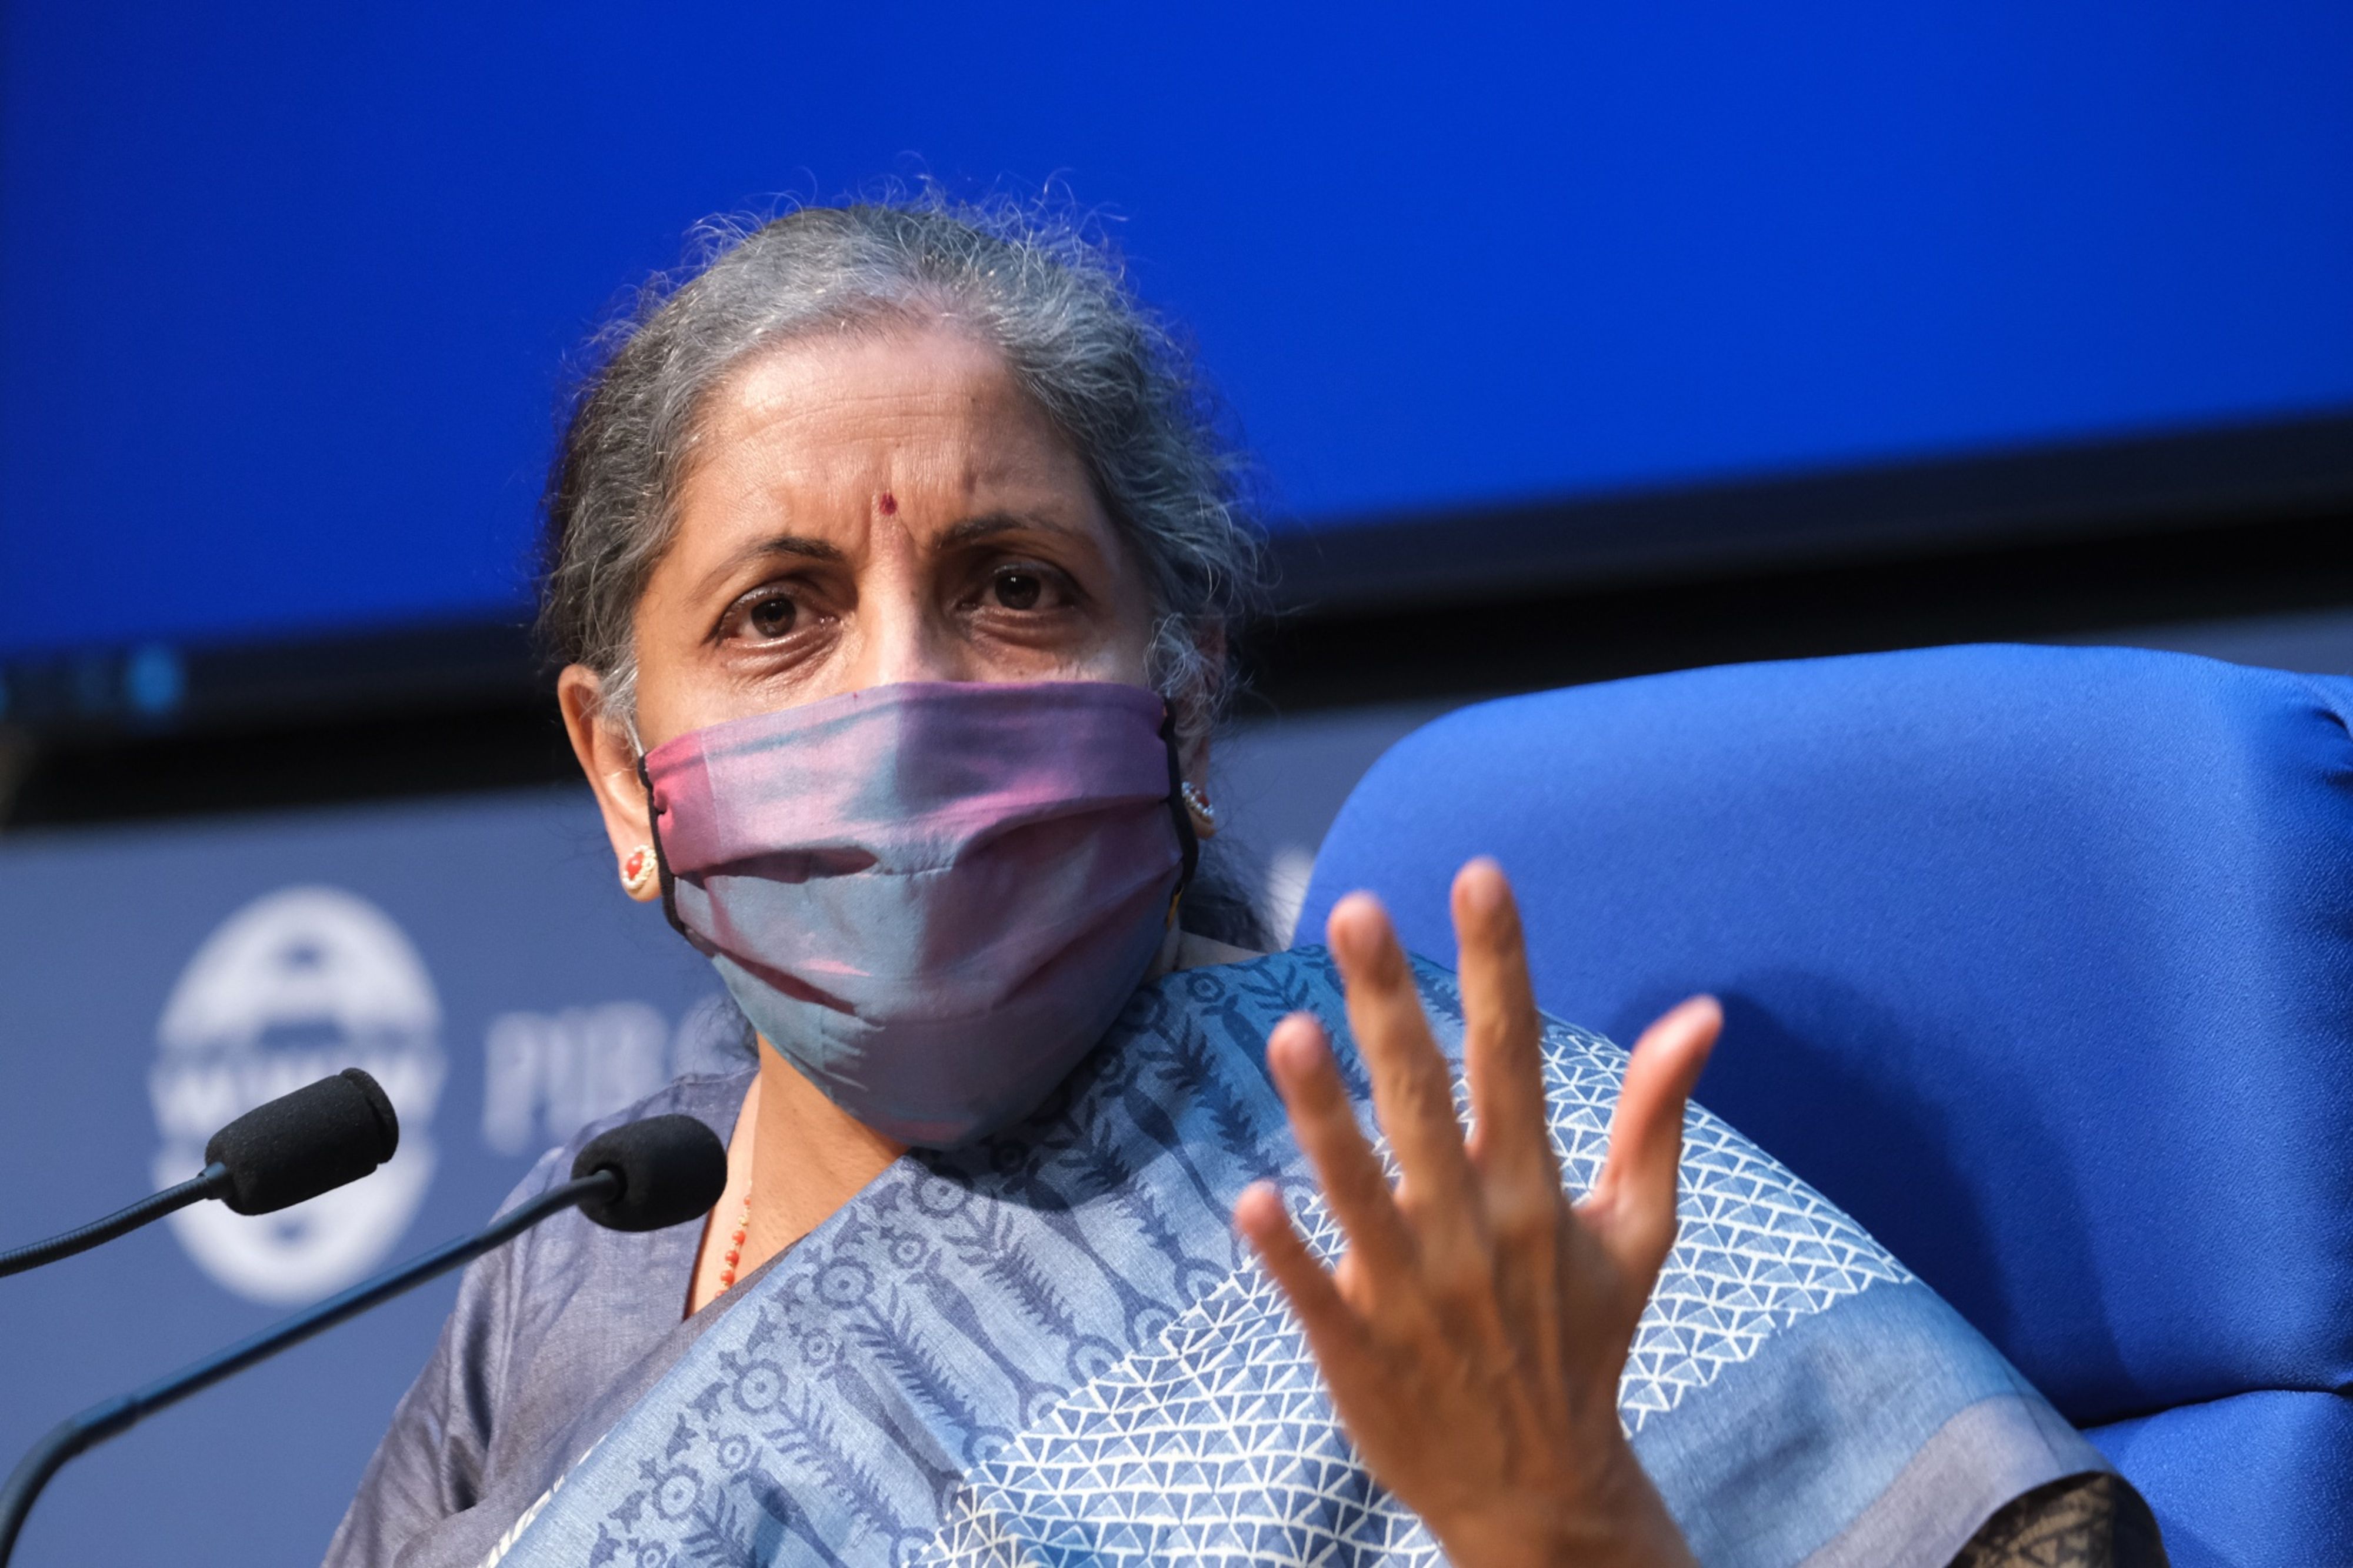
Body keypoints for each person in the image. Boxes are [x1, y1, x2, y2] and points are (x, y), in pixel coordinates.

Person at [327, 199, 2160, 1568]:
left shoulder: (1455, 1174)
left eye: (1015, 584)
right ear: (624, 771)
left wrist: (1569, 1524)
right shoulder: (575, 1267)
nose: (905, 692)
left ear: (1181, 697)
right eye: (780, 613)